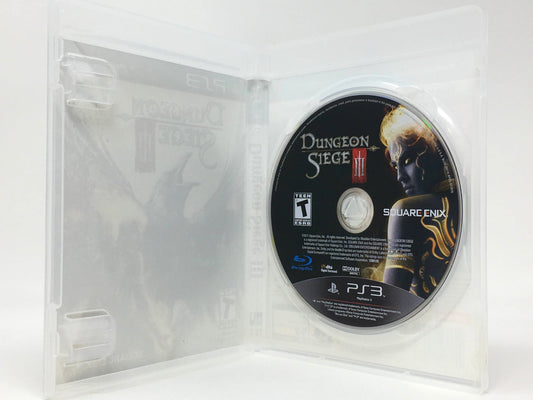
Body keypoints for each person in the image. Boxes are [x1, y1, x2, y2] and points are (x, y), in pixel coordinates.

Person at [380, 106, 459, 299]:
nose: (400, 176)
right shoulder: (469, 203)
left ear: (434, 151)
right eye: (396, 165)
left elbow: (388, 303)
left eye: (407, 160)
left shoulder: (405, 211)